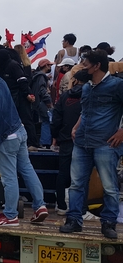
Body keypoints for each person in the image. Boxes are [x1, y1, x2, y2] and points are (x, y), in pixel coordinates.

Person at [0, 56, 48, 226]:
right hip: (19, 130)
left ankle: (11, 215)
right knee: (27, 169)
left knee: (9, 177)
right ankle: (40, 205)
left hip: (5, 137)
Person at [59, 50, 123, 239]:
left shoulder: (117, 85)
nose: (83, 66)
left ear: (97, 66)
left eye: (86, 63)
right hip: (81, 142)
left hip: (106, 144)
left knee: (109, 185)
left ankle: (109, 222)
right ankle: (74, 220)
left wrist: (122, 132)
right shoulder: (86, 87)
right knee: (76, 184)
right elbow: (85, 111)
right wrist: (76, 127)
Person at [51, 70, 89, 216]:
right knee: (82, 175)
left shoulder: (65, 96)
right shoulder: (90, 95)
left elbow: (56, 118)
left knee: (63, 173)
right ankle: (82, 209)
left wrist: (55, 136)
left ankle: (60, 205)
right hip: (84, 140)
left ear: (75, 81)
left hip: (65, 139)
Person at [0, 49, 40, 150]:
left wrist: (27, 94)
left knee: (26, 119)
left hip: (20, 96)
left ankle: (33, 143)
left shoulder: (13, 65)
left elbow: (22, 80)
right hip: (9, 97)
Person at [31, 59, 54, 147]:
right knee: (46, 121)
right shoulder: (41, 76)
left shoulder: (36, 76)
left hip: (36, 102)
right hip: (42, 102)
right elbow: (42, 90)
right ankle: (45, 142)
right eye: (49, 65)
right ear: (45, 66)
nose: (50, 67)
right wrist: (48, 101)